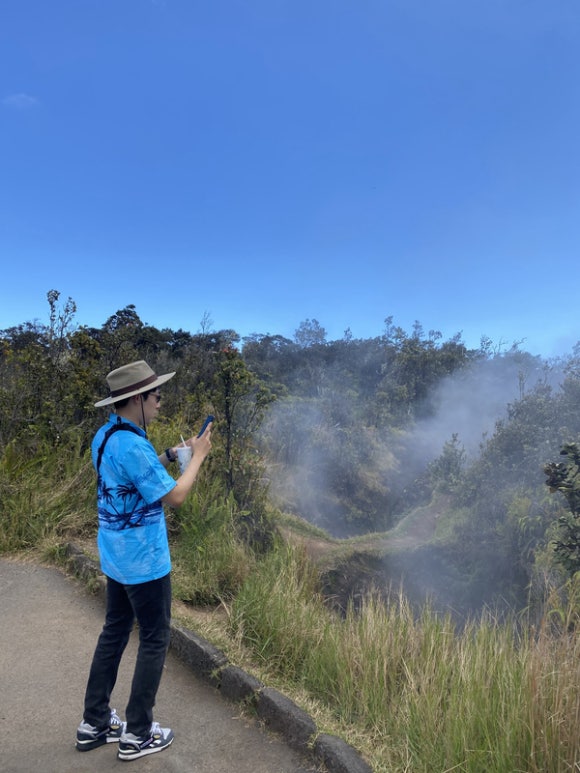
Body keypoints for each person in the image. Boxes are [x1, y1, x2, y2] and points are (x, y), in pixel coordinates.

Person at [75, 360, 212, 761]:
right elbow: (176, 497)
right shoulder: (133, 445)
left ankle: (94, 722)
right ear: (137, 398)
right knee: (154, 637)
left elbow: (135, 474)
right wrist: (198, 456)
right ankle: (137, 733)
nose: (158, 403)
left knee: (115, 630)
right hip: (144, 562)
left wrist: (171, 454)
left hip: (115, 556)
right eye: (155, 396)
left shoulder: (105, 436)